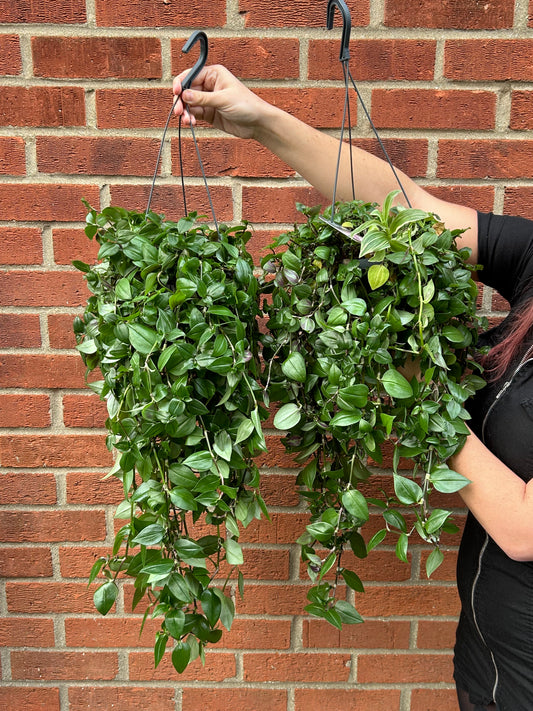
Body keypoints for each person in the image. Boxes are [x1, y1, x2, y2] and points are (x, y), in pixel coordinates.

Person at [172, 65, 533, 711]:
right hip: (491, 656)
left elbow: (522, 528)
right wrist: (260, 120)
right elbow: (410, 214)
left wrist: (422, 401)